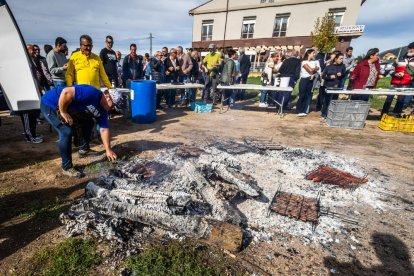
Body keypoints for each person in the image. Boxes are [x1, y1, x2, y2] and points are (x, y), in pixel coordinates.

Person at [40, 84, 118, 177]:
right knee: (66, 132)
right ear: (107, 96)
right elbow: (66, 92)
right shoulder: (91, 92)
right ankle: (67, 167)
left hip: (68, 107)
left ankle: (84, 150)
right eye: (113, 104)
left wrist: (108, 149)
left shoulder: (103, 111)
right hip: (51, 103)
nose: (113, 108)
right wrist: (63, 111)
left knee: (89, 122)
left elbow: (104, 129)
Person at [381, 42, 414, 116]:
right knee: (389, 98)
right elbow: (390, 68)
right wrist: (395, 74)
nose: (411, 50)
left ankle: (396, 114)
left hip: (407, 83)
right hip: (394, 82)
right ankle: (383, 113)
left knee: (401, 99)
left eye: (413, 49)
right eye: (409, 48)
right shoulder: (399, 58)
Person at [320, 52, 346, 118]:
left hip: (337, 86)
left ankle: (331, 114)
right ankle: (324, 113)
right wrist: (329, 77)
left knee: (334, 100)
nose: (342, 60)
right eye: (340, 59)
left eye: (342, 59)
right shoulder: (329, 66)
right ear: (336, 59)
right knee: (327, 100)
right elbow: (323, 76)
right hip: (328, 85)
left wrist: (342, 74)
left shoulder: (343, 66)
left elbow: (344, 75)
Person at [296, 49, 319, 117]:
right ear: (308, 54)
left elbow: (316, 69)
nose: (314, 54)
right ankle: (299, 110)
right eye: (313, 53)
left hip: (310, 79)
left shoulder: (313, 62)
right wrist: (315, 68)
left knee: (307, 95)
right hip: (304, 79)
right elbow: (310, 69)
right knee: (302, 95)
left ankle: (304, 110)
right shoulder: (303, 62)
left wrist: (313, 72)